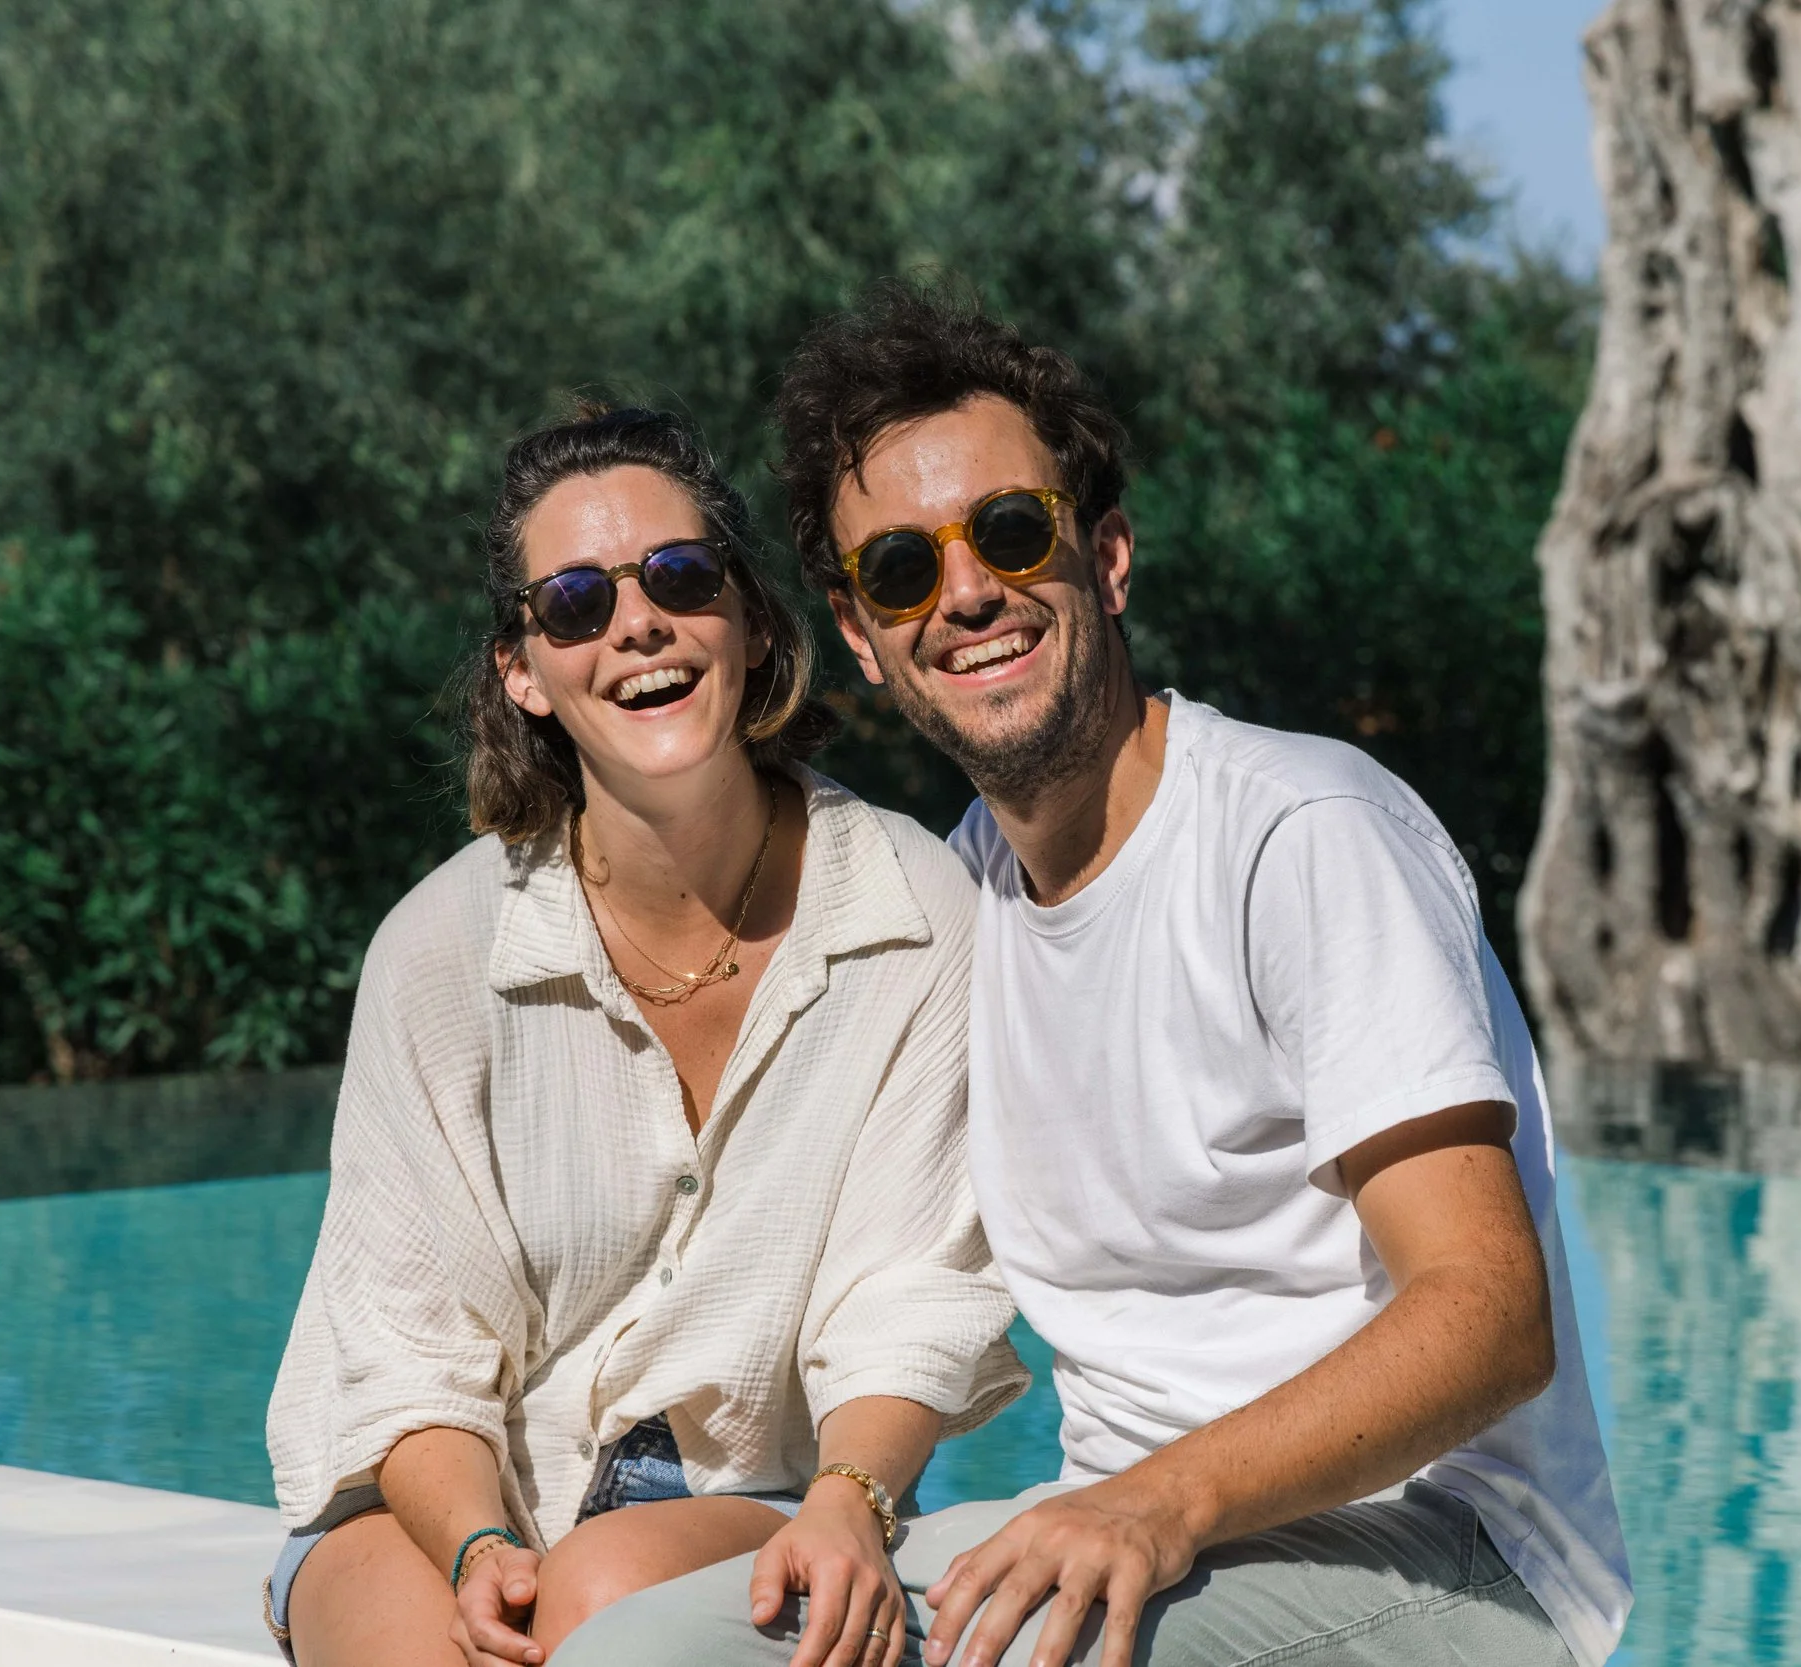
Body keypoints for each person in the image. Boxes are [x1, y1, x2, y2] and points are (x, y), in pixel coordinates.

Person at [556, 290, 1631, 1667]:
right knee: (633, 1656)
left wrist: (1155, 1502)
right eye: (898, 571)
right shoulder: (958, 901)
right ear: (865, 636)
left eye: (1012, 532)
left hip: (1450, 1554)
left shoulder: (1301, 834)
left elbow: (1490, 1310)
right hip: (1110, 1538)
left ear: (1106, 555)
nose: (964, 595)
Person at [263, 404, 1027, 1667]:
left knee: (606, 1583)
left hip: (756, 1496)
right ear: (523, 668)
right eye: (573, 601)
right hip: (436, 1505)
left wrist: (853, 1499)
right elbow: (404, 1343)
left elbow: (916, 1293)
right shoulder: (439, 950)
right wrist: (475, 1544)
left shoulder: (915, 916)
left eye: (679, 576)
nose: (636, 624)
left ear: (749, 617)